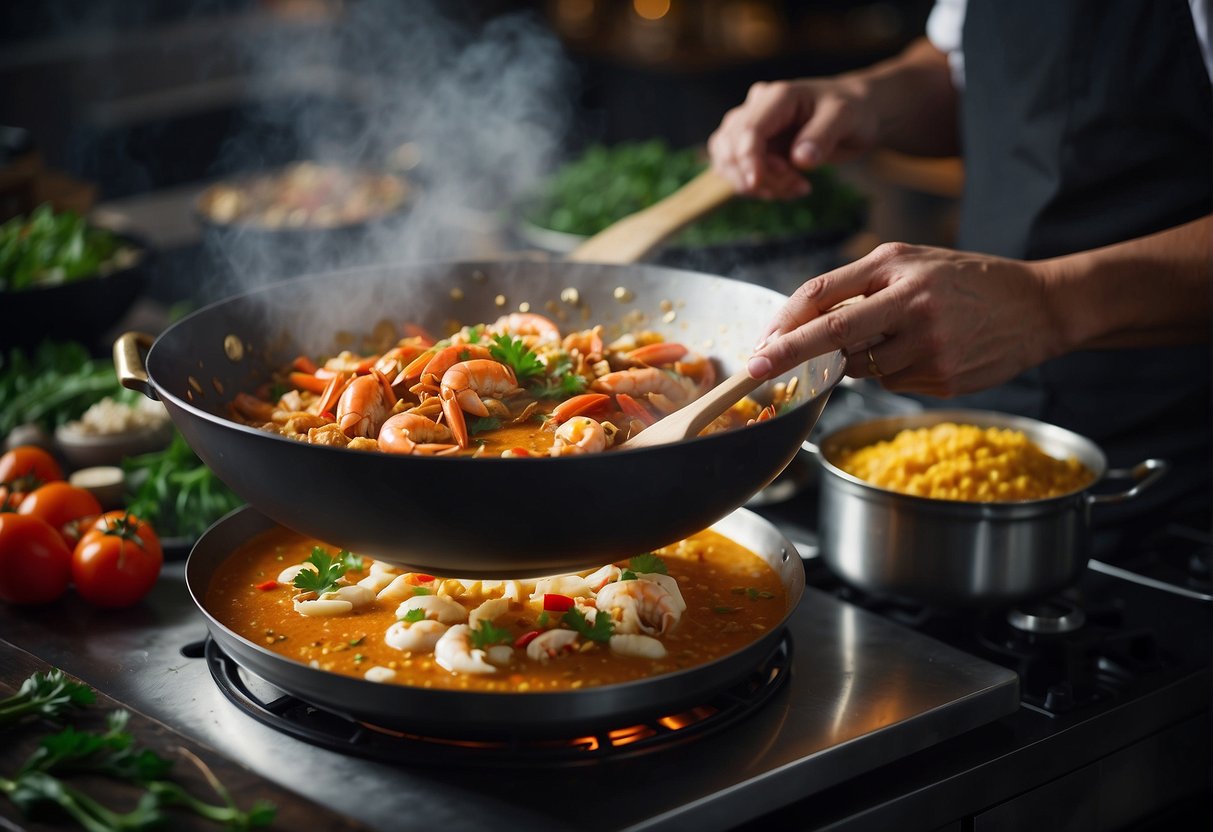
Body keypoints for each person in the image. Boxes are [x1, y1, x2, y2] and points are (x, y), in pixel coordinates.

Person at [710, 0, 1212, 533]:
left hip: (1174, 454)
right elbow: (970, 69)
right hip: (974, 410)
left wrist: (1049, 304)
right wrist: (867, 97)